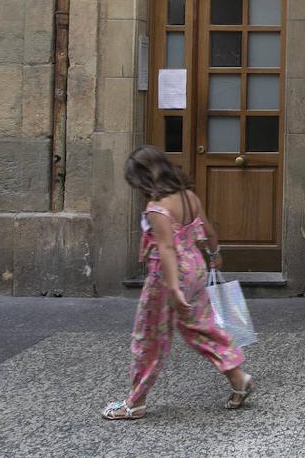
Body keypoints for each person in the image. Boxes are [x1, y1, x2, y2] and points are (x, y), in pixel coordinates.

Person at [101, 146, 253, 420]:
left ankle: (135, 403)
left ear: (145, 178)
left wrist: (172, 287)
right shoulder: (188, 196)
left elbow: (167, 249)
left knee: (149, 337)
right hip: (195, 267)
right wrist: (215, 254)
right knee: (201, 328)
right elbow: (206, 229)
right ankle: (238, 378)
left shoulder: (156, 209)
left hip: (167, 276)